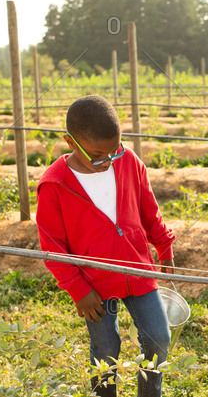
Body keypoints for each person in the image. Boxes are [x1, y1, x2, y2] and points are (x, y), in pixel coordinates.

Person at [36, 95, 176, 397]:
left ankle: (150, 393)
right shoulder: (55, 184)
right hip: (93, 285)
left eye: (116, 150)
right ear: (71, 143)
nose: (110, 160)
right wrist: (78, 290)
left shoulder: (129, 162)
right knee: (105, 348)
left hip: (139, 270)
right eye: (99, 155)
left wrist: (163, 244)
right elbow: (53, 246)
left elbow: (149, 211)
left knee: (158, 338)